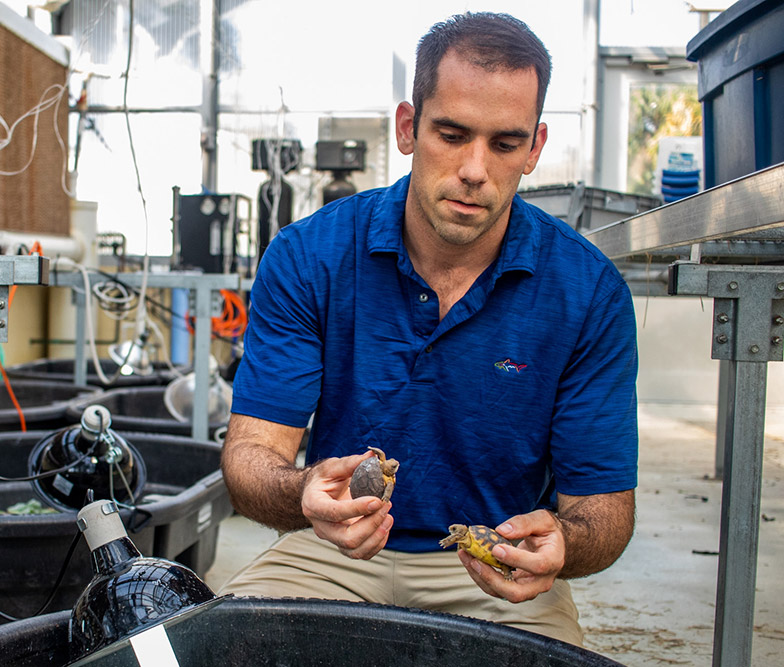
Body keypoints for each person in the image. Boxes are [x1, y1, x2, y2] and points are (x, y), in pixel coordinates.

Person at [219, 12, 638, 646]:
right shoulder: (311, 257)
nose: (475, 169)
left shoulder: (586, 292)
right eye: (452, 133)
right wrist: (305, 490)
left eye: (504, 144)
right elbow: (249, 459)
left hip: (491, 568)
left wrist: (563, 546)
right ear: (409, 127)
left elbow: (604, 512)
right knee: (207, 647)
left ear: (535, 148)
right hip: (331, 554)